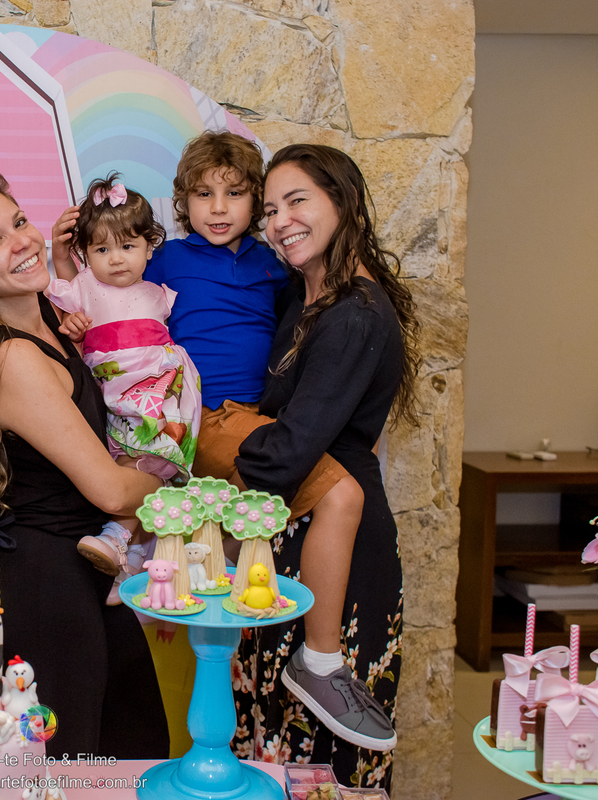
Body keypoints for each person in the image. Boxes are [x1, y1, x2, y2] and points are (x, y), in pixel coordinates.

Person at [141, 130, 374, 749]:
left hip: (258, 418)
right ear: (182, 202)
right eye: (203, 194)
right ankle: (320, 662)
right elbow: (115, 297)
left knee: (238, 570)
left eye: (238, 195)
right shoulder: (167, 262)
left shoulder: (277, 267)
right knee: (343, 497)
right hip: (209, 416)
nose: (219, 208)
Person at [0, 170, 170, 760]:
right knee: (75, 764)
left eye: (18, 222)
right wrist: (180, 485)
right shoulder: (11, 356)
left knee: (129, 747)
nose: (19, 241)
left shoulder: (53, 320)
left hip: (88, 570)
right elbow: (111, 490)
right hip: (48, 585)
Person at [232, 144, 420, 789]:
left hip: (338, 545)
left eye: (297, 201)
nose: (280, 221)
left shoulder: (354, 315)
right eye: (269, 210)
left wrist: (215, 441)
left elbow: (286, 455)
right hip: (290, 537)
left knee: (322, 765)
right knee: (272, 748)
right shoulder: (302, 297)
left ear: (342, 201)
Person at [45, 173, 202, 595]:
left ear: (150, 246)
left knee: (144, 459)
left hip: (159, 390)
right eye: (101, 249)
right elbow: (68, 290)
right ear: (84, 253)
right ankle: (131, 560)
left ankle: (117, 538)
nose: (116, 259)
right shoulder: (84, 287)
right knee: (121, 466)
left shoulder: (159, 293)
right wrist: (72, 319)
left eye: (128, 246)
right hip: (112, 395)